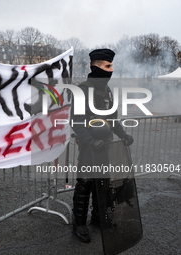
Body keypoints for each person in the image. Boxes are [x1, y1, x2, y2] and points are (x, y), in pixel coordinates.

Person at [70, 49, 134, 243]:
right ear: (96, 66)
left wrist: (123, 135)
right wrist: (91, 141)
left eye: (111, 65)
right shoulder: (82, 89)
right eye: (107, 66)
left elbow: (112, 119)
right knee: (86, 183)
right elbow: (77, 121)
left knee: (103, 183)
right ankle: (79, 223)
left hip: (105, 146)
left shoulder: (106, 90)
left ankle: (98, 218)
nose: (111, 70)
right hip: (89, 147)